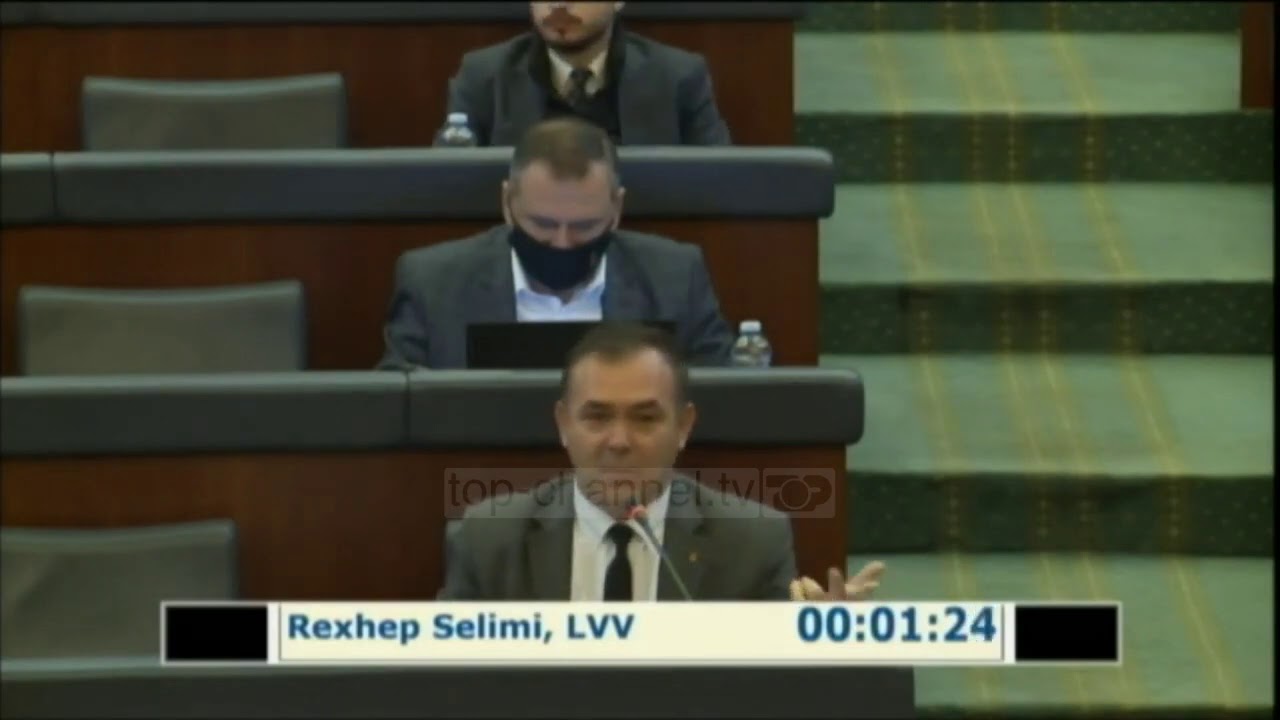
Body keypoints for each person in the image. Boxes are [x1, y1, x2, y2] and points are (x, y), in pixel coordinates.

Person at [440, 321, 886, 601]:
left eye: (645, 418)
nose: (619, 441)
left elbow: (773, 690)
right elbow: (448, 685)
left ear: (683, 427)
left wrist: (824, 647)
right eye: (597, 417)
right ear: (563, 424)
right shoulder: (488, 539)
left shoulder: (751, 542)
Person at [378, 117, 735, 370]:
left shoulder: (675, 277)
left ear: (616, 208)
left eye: (584, 226)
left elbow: (721, 398)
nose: (563, 244)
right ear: (507, 203)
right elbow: (400, 407)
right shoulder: (433, 282)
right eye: (543, 224)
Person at [440, 1, 731, 146]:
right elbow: (451, 181)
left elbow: (719, 179)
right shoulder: (483, 75)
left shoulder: (678, 76)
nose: (558, 6)